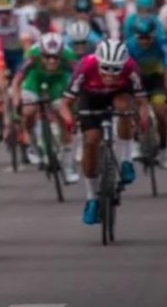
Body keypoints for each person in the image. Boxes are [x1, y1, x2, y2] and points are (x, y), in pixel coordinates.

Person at [59, 39, 152, 225]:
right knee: (91, 140)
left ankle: (126, 160)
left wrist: (142, 121)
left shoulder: (131, 68)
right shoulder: (85, 66)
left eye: (116, 69)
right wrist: (69, 120)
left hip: (118, 95)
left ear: (124, 65)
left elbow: (142, 103)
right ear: (98, 62)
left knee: (124, 107)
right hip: (90, 99)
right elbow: (65, 104)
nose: (110, 74)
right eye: (106, 68)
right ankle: (92, 197)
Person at [11, 32, 79, 182]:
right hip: (34, 78)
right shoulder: (32, 54)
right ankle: (31, 141)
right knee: (29, 110)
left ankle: (68, 166)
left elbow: (79, 79)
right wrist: (17, 100)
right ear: (41, 53)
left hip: (58, 80)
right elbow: (17, 81)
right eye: (47, 56)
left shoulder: (69, 55)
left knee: (63, 117)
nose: (52, 61)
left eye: (56, 57)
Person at [124, 16, 167, 161]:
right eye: (141, 38)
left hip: (156, 80)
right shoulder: (129, 45)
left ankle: (164, 147)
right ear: (135, 36)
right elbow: (125, 72)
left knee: (160, 112)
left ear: (154, 35)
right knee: (133, 111)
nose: (145, 41)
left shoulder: (162, 43)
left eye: (148, 38)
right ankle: (136, 142)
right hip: (136, 80)